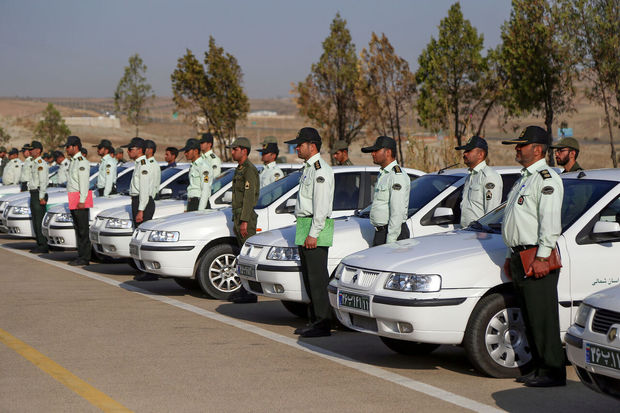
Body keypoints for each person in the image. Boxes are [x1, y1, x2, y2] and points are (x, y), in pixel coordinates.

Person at [501, 125, 565, 388]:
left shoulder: (546, 178)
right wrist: (509, 254)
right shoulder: (524, 178)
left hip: (536, 256)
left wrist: (542, 257)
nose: (517, 149)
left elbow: (549, 223)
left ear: (538, 149)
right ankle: (539, 368)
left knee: (543, 318)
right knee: (530, 317)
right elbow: (515, 220)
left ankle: (553, 371)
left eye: (521, 145)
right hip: (520, 256)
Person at [284, 127, 334, 337]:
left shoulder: (320, 169)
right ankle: (314, 319)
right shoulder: (308, 168)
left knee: (317, 277)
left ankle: (323, 323)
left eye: (300, 144)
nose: (296, 147)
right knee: (308, 277)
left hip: (315, 226)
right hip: (304, 224)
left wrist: (314, 233)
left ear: (311, 146)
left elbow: (321, 206)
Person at [227, 137, 260, 304]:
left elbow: (249, 198)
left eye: (235, 149)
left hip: (245, 217)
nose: (232, 152)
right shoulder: (239, 169)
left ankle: (250, 292)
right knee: (242, 255)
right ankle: (243, 289)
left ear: (244, 151)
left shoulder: (249, 170)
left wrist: (245, 221)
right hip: (238, 216)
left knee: (247, 256)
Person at [362, 136, 410, 246]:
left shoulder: (396, 176)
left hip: (394, 234)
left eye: (376, 151)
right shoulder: (384, 174)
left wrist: (391, 240)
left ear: (388, 152)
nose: (372, 154)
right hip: (382, 232)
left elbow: (397, 211)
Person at [454, 135, 503, 227]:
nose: (464, 154)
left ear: (480, 154)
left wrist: (486, 234)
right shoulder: (470, 176)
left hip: (480, 234)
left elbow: (492, 212)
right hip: (466, 232)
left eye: (468, 151)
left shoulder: (488, 176)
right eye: (465, 151)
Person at [64, 136, 92, 266]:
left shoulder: (81, 161)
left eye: (68, 147)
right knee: (77, 228)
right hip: (73, 196)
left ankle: (85, 257)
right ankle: (80, 255)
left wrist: (82, 200)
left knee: (82, 229)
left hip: (80, 197)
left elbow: (84, 183)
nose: (66, 149)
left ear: (75, 147)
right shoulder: (73, 161)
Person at [122, 137, 155, 228]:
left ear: (140, 150)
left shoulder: (143, 165)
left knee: (141, 232)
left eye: (130, 149)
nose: (128, 152)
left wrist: (141, 210)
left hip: (143, 203)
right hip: (138, 201)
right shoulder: (139, 164)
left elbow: (144, 189)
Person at [27, 141, 49, 254]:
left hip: (38, 193)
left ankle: (43, 244)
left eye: (32, 149)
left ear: (38, 150)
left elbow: (43, 181)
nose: (30, 151)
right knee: (35, 220)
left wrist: (41, 197)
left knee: (39, 219)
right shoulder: (34, 163)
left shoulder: (41, 163)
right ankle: (39, 243)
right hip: (33, 193)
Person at [181, 138, 211, 212]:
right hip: (192, 202)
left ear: (196, 151)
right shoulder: (193, 165)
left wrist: (200, 210)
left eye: (187, 151)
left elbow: (205, 189)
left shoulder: (203, 166)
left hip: (199, 202)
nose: (185, 153)